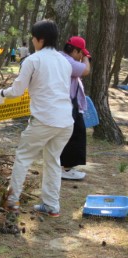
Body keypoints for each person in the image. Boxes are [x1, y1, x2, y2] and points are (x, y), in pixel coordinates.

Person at [0, 20, 73, 217]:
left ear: (40, 39)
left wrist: (2, 94)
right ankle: (51, 205)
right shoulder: (64, 61)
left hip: (44, 119)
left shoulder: (33, 60)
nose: (32, 41)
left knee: (23, 157)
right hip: (65, 121)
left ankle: (12, 201)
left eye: (33, 38)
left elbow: (17, 90)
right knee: (53, 160)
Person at [60, 36, 91, 180]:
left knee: (76, 133)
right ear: (74, 50)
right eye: (81, 53)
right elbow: (85, 70)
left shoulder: (64, 59)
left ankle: (67, 167)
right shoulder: (67, 62)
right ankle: (66, 168)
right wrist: (87, 59)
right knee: (73, 135)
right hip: (67, 104)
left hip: (70, 103)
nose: (81, 57)